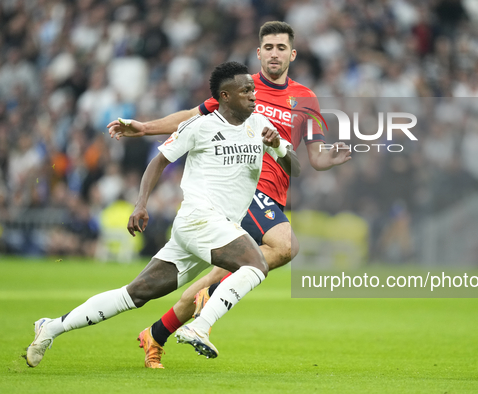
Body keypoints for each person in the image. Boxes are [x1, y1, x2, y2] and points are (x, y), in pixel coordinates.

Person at [107, 21, 351, 368]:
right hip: (245, 190)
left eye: (281, 48)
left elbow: (314, 156)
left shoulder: (306, 99)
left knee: (223, 274)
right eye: (268, 47)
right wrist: (145, 127)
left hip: (274, 197)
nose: (274, 53)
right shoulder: (242, 88)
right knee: (286, 246)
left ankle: (157, 333)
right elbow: (193, 116)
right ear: (259, 52)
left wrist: (331, 158)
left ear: (292, 54)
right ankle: (204, 316)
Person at [25, 61, 297, 367]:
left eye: (253, 89)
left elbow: (293, 168)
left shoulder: (260, 125)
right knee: (255, 263)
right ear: (225, 96)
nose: (253, 95)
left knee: (136, 294)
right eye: (245, 89)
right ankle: (200, 326)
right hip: (200, 219)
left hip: (213, 228)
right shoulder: (200, 126)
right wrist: (141, 204)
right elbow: (159, 161)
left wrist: (281, 149)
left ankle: (51, 326)